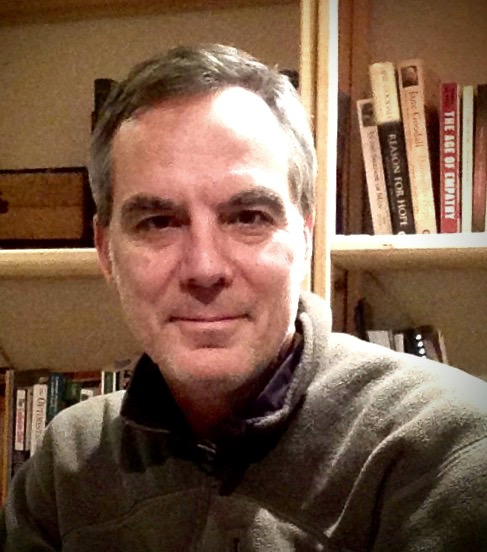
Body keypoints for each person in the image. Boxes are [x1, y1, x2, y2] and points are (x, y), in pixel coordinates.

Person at [1, 44, 486, 551]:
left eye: (248, 217)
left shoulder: (446, 446)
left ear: (304, 238)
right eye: (158, 222)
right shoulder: (67, 465)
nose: (204, 268)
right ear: (106, 252)